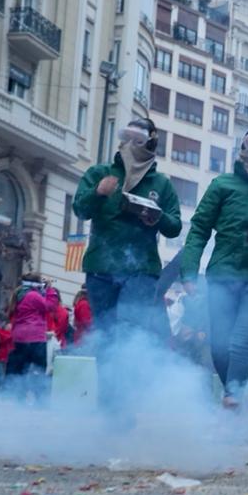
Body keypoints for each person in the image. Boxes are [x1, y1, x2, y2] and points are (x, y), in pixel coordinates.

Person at [180, 128, 248, 409]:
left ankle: (233, 394)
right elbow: (199, 230)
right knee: (219, 345)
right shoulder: (222, 186)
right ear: (241, 151)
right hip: (223, 277)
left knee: (241, 340)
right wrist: (190, 273)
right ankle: (235, 389)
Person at [73, 118, 181, 400]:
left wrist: (156, 216)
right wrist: (98, 193)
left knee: (131, 331)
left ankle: (128, 400)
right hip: (101, 267)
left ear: (150, 143)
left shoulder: (161, 184)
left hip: (141, 270)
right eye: (126, 137)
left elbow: (175, 226)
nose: (129, 144)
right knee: (107, 334)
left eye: (138, 138)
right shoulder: (99, 173)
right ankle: (109, 402)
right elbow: (80, 209)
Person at [5, 274, 58, 404]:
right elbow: (50, 306)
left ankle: (18, 399)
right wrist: (51, 290)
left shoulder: (21, 294)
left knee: (21, 369)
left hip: (20, 337)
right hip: (34, 337)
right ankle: (41, 401)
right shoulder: (33, 296)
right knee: (38, 370)